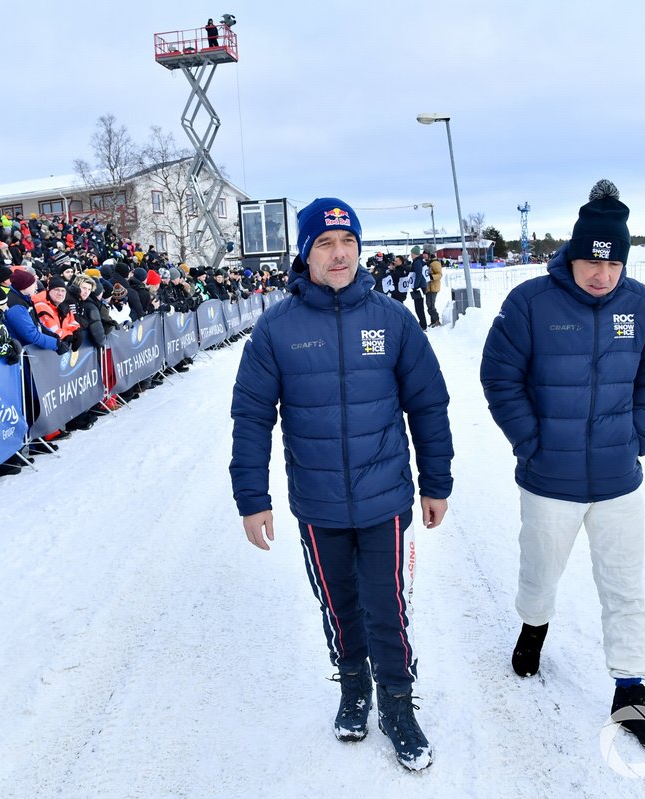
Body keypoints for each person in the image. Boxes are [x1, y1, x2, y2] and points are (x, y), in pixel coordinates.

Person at [230, 198, 454, 772]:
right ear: (305, 254)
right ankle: (354, 684)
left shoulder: (393, 320)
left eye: (347, 242)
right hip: (319, 502)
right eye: (325, 245)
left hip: (386, 498)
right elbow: (252, 417)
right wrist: (253, 498)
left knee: (387, 604)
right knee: (338, 603)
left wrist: (437, 481)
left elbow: (427, 404)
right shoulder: (277, 329)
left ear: (359, 247)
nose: (338, 254)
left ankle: (398, 704)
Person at [479, 180, 645, 755]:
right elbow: (499, 376)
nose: (603, 272)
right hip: (551, 481)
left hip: (618, 480)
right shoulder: (531, 303)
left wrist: (641, 434)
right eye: (594, 258)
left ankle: (630, 692)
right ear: (575, 252)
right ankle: (534, 626)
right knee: (541, 573)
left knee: (624, 587)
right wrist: (530, 440)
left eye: (614, 261)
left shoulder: (642, 306)